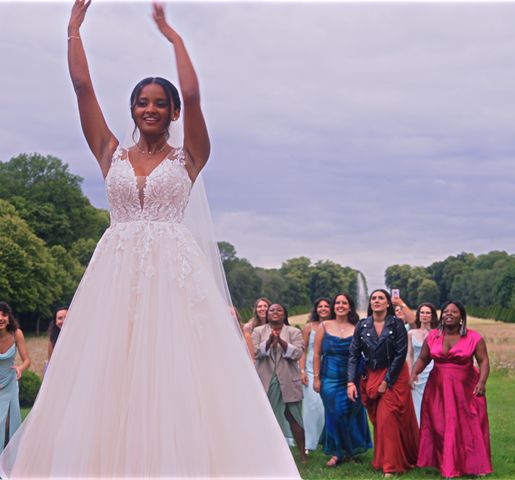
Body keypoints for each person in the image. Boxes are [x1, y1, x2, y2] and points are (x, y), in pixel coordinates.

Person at [0, 2, 300, 478]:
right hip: (114, 279)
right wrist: (73, 30)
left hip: (172, 281)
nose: (151, 109)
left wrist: (174, 39)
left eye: (161, 102)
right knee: (108, 376)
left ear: (173, 111)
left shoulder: (190, 158)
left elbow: (197, 97)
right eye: (143, 102)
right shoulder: (109, 151)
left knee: (174, 375)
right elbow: (82, 88)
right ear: (133, 111)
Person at [410, 300, 492, 478]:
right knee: (440, 426)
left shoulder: (474, 337)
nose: (448, 314)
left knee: (469, 426)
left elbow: (483, 361)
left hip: (465, 389)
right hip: (438, 389)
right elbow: (424, 359)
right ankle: (445, 463)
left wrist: (482, 382)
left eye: (454, 312)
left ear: (461, 317)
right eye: (446, 311)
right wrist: (414, 373)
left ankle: (475, 465)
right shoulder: (433, 336)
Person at [347, 289, 418, 477]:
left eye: (381, 298)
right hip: (371, 375)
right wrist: (350, 382)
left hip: (395, 375)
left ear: (388, 303)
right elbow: (353, 355)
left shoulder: (397, 324)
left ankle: (391, 466)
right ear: (370, 304)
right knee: (379, 420)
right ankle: (386, 458)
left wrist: (387, 381)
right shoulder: (362, 326)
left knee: (388, 418)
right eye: (373, 298)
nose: (377, 301)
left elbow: (400, 354)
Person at [313, 293, 371, 467]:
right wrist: (316, 378)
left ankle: (349, 451)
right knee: (335, 414)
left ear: (350, 306)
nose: (340, 305)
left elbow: (365, 352)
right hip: (329, 378)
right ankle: (337, 452)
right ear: (333, 306)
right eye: (337, 302)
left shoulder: (358, 327)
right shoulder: (324, 326)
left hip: (353, 378)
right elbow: (316, 353)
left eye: (344, 303)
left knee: (351, 414)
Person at [252, 304, 308, 463]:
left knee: (294, 418)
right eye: (272, 310)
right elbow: (255, 352)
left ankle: (303, 454)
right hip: (266, 381)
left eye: (279, 310)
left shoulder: (294, 331)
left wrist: (282, 342)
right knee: (267, 418)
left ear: (284, 314)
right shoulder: (258, 331)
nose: (275, 312)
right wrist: (269, 342)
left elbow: (298, 353)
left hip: (289, 382)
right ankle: (268, 452)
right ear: (267, 314)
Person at [300, 297, 329, 452]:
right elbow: (303, 351)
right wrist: (302, 370)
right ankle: (309, 442)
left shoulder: (333, 326)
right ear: (316, 309)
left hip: (329, 369)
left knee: (326, 407)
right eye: (320, 306)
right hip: (311, 370)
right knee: (312, 406)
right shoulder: (309, 327)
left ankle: (325, 441)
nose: (323, 309)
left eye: (326, 306)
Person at [0, 302, 31, 448]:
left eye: (4, 314)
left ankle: (10, 458)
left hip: (11, 382)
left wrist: (20, 368)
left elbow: (27, 360)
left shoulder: (17, 334)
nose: (1, 318)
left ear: (8, 317)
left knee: (10, 421)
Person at [407, 302, 437, 425]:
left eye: (428, 312)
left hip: (433, 370)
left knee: (433, 402)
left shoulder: (438, 334)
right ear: (418, 315)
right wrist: (410, 373)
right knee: (416, 403)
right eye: (422, 312)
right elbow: (410, 355)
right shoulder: (411, 333)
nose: (424, 315)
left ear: (432, 316)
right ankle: (419, 430)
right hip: (417, 372)